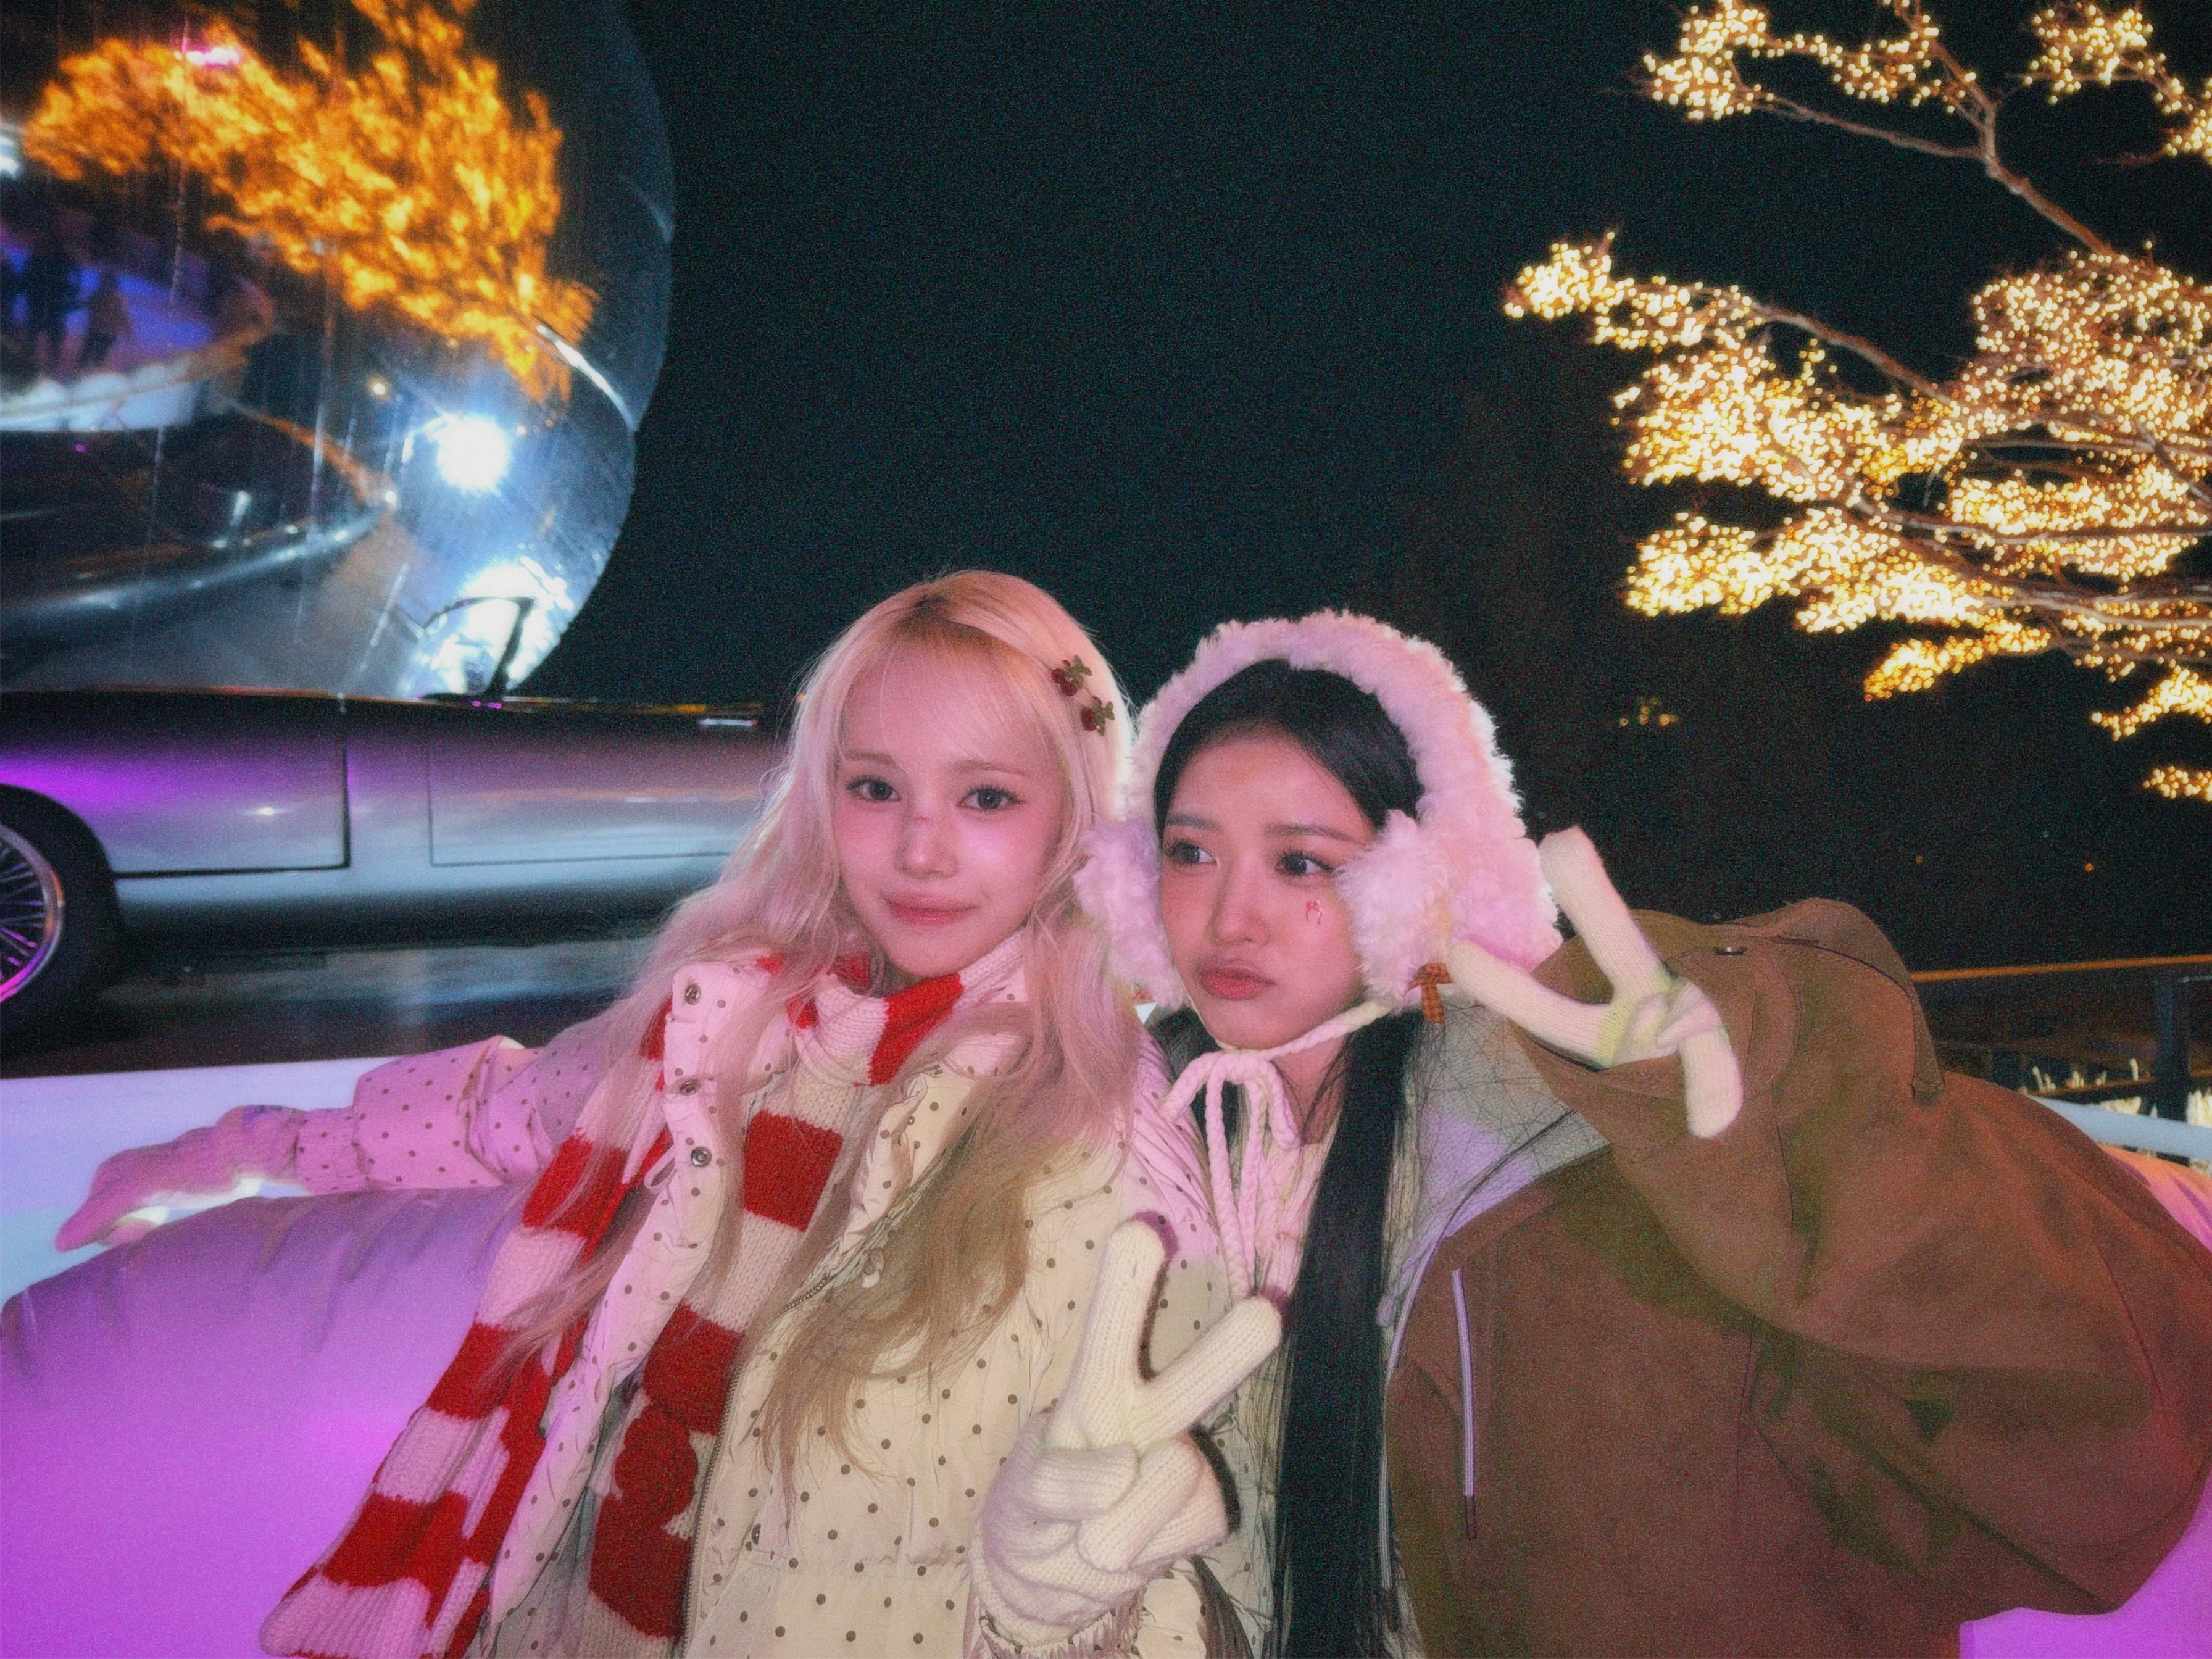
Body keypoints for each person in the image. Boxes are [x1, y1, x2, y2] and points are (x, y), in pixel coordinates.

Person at [970, 612, 2212, 1657]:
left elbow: (2103, 1440)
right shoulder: (1137, 1159)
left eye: (1303, 862)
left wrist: (1788, 1106)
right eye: (1188, 852)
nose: (1229, 915)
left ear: (1423, 882)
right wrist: (1045, 1576)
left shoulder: (1580, 1144)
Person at [53, 572, 1165, 1659]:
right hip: (583, 1605)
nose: (919, 849)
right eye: (874, 787)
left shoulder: (1092, 1117)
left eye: (986, 798)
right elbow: (501, 1109)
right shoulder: (725, 1017)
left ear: (1080, 817)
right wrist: (233, 1147)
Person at [77, 270, 131, 371]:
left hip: (100, 329)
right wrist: (128, 331)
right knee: (96, 353)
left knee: (90, 352)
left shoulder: (102, 296)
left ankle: (84, 368)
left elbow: (123, 315)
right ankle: (88, 368)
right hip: (106, 330)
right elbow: (124, 316)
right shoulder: (116, 298)